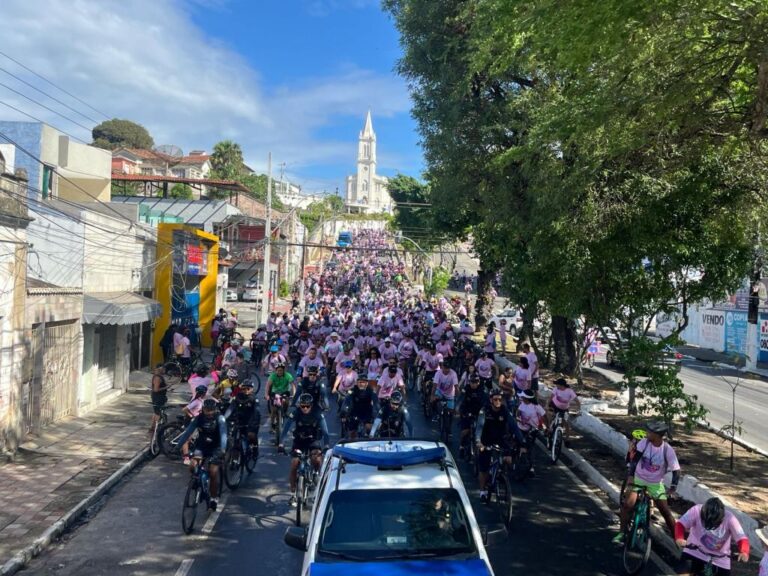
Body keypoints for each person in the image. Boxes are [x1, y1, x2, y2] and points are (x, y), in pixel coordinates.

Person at [615, 420, 681, 543]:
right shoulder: (644, 443)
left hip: (655, 484)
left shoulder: (667, 450)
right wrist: (631, 476)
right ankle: (622, 533)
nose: (647, 433)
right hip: (639, 478)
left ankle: (679, 542)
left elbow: (676, 470)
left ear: (657, 435)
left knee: (666, 512)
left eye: (650, 432)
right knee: (627, 505)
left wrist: (672, 488)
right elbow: (634, 461)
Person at [675, 497, 750, 576]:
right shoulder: (696, 510)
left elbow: (742, 538)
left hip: (719, 559)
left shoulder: (730, 519)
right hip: (694, 551)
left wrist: (744, 552)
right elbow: (680, 524)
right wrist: (679, 538)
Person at [278, 393, 330, 506]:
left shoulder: (318, 413)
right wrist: (281, 444)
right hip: (299, 441)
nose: (305, 408)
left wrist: (326, 446)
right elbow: (286, 428)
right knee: (294, 464)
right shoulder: (296, 412)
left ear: (311, 405)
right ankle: (292, 494)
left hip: (313, 440)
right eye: (302, 406)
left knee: (316, 459)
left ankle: (316, 473)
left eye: (307, 406)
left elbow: (326, 432)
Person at [475, 389, 526, 502]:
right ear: (491, 400)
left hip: (502, 440)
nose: (498, 401)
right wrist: (479, 441)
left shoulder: (505, 411)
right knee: (483, 469)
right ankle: (483, 491)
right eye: (495, 399)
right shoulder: (485, 411)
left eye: (500, 399)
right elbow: (479, 427)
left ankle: (503, 477)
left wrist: (522, 443)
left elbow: (514, 427)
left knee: (508, 460)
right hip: (486, 440)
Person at [178, 398, 227, 510]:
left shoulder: (220, 419)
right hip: (202, 446)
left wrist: (223, 449)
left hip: (216, 447)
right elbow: (188, 432)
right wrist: (178, 445)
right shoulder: (199, 419)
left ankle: (213, 498)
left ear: (215, 410)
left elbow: (224, 435)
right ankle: (197, 481)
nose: (209, 413)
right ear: (203, 409)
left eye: (211, 410)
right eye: (207, 410)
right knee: (192, 466)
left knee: (213, 472)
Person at [224, 380, 260, 459]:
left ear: (252, 389)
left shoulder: (254, 399)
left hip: (251, 421)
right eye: (244, 389)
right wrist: (224, 418)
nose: (246, 391)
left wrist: (253, 423)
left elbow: (256, 412)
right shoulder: (238, 397)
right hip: (239, 420)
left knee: (251, 435)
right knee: (232, 436)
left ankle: (255, 450)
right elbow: (231, 408)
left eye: (248, 389)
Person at [516, 389, 546, 476]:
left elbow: (544, 416)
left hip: (532, 430)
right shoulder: (522, 404)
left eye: (523, 396)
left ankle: (531, 467)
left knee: (530, 447)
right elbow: (517, 413)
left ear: (527, 398)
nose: (521, 397)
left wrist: (546, 427)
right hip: (521, 428)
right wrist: (518, 419)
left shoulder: (536, 407)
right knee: (518, 442)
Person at [456, 374, 486, 458]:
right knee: (465, 431)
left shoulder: (482, 390)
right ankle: (461, 447)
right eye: (472, 382)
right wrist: (458, 409)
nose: (474, 384)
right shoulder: (466, 389)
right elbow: (460, 400)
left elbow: (486, 402)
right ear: (469, 382)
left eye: (476, 382)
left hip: (479, 413)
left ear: (479, 382)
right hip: (466, 411)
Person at [340, 374, 378, 439]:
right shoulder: (352, 391)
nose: (361, 384)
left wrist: (376, 414)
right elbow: (346, 402)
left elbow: (376, 404)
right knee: (352, 432)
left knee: (369, 429)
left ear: (367, 383)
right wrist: (343, 413)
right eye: (360, 382)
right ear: (357, 383)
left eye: (363, 382)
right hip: (355, 412)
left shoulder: (371, 391)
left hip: (367, 412)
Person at [149, 363, 168, 434]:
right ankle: (155, 428)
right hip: (158, 397)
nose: (165, 370)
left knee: (156, 412)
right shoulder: (157, 377)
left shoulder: (159, 376)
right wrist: (166, 387)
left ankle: (152, 427)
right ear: (160, 369)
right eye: (164, 369)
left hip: (158, 397)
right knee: (158, 413)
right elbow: (156, 389)